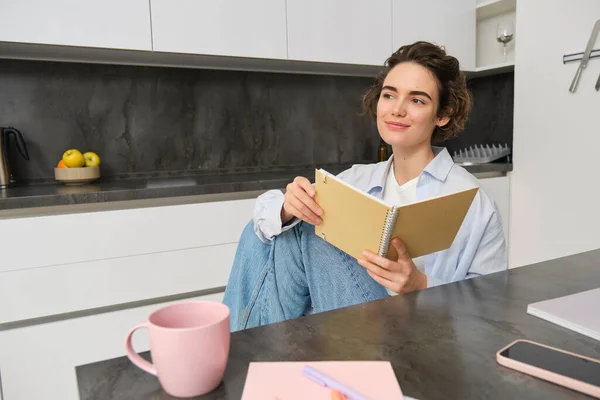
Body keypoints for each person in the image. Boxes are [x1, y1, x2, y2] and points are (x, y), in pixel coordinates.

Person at [223, 41, 508, 331]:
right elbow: (263, 221)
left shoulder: (472, 200)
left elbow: (491, 308)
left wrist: (420, 285)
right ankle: (260, 352)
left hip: (419, 338)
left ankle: (242, 351)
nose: (397, 110)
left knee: (307, 228)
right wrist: (288, 206)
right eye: (389, 95)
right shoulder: (356, 180)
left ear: (442, 114)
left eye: (417, 100)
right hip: (344, 330)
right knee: (278, 225)